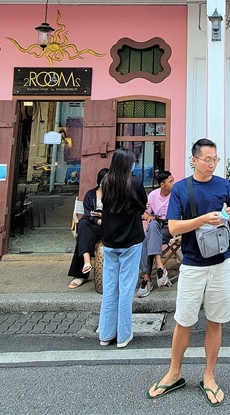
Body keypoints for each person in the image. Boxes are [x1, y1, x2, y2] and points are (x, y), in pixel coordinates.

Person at [147, 138, 230, 407]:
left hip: (221, 263)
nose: (212, 164)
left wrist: (227, 215)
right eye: (207, 159)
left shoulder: (224, 186)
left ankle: (209, 376)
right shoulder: (180, 188)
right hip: (191, 264)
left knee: (216, 320)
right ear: (194, 160)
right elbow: (174, 227)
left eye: (215, 159)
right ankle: (173, 373)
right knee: (184, 320)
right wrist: (203, 219)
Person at [97, 149, 147, 348]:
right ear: (129, 164)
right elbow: (142, 205)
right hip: (131, 239)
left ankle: (106, 334)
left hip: (110, 240)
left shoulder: (106, 181)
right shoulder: (134, 182)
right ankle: (124, 335)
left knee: (110, 288)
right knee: (126, 289)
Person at [137, 169, 176, 298]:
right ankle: (160, 268)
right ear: (162, 184)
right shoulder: (153, 195)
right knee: (152, 226)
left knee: (145, 239)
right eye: (170, 181)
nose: (173, 183)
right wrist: (148, 217)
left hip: (170, 227)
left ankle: (147, 279)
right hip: (156, 226)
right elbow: (144, 213)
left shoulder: (175, 195)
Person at [68, 167, 108, 288]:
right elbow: (87, 213)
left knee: (83, 236)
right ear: (100, 181)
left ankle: (81, 275)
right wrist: (97, 220)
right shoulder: (91, 194)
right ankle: (87, 261)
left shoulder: (113, 196)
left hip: (106, 228)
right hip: (91, 224)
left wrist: (102, 217)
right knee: (83, 224)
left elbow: (115, 214)